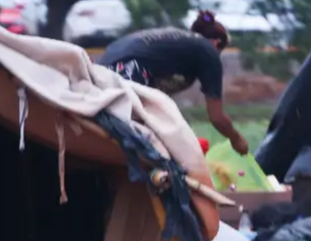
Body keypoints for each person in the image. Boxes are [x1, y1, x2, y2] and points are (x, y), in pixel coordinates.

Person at [96, 10, 250, 155]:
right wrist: (237, 140)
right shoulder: (207, 51)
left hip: (100, 71)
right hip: (128, 73)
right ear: (216, 43)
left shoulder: (177, 43)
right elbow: (217, 117)